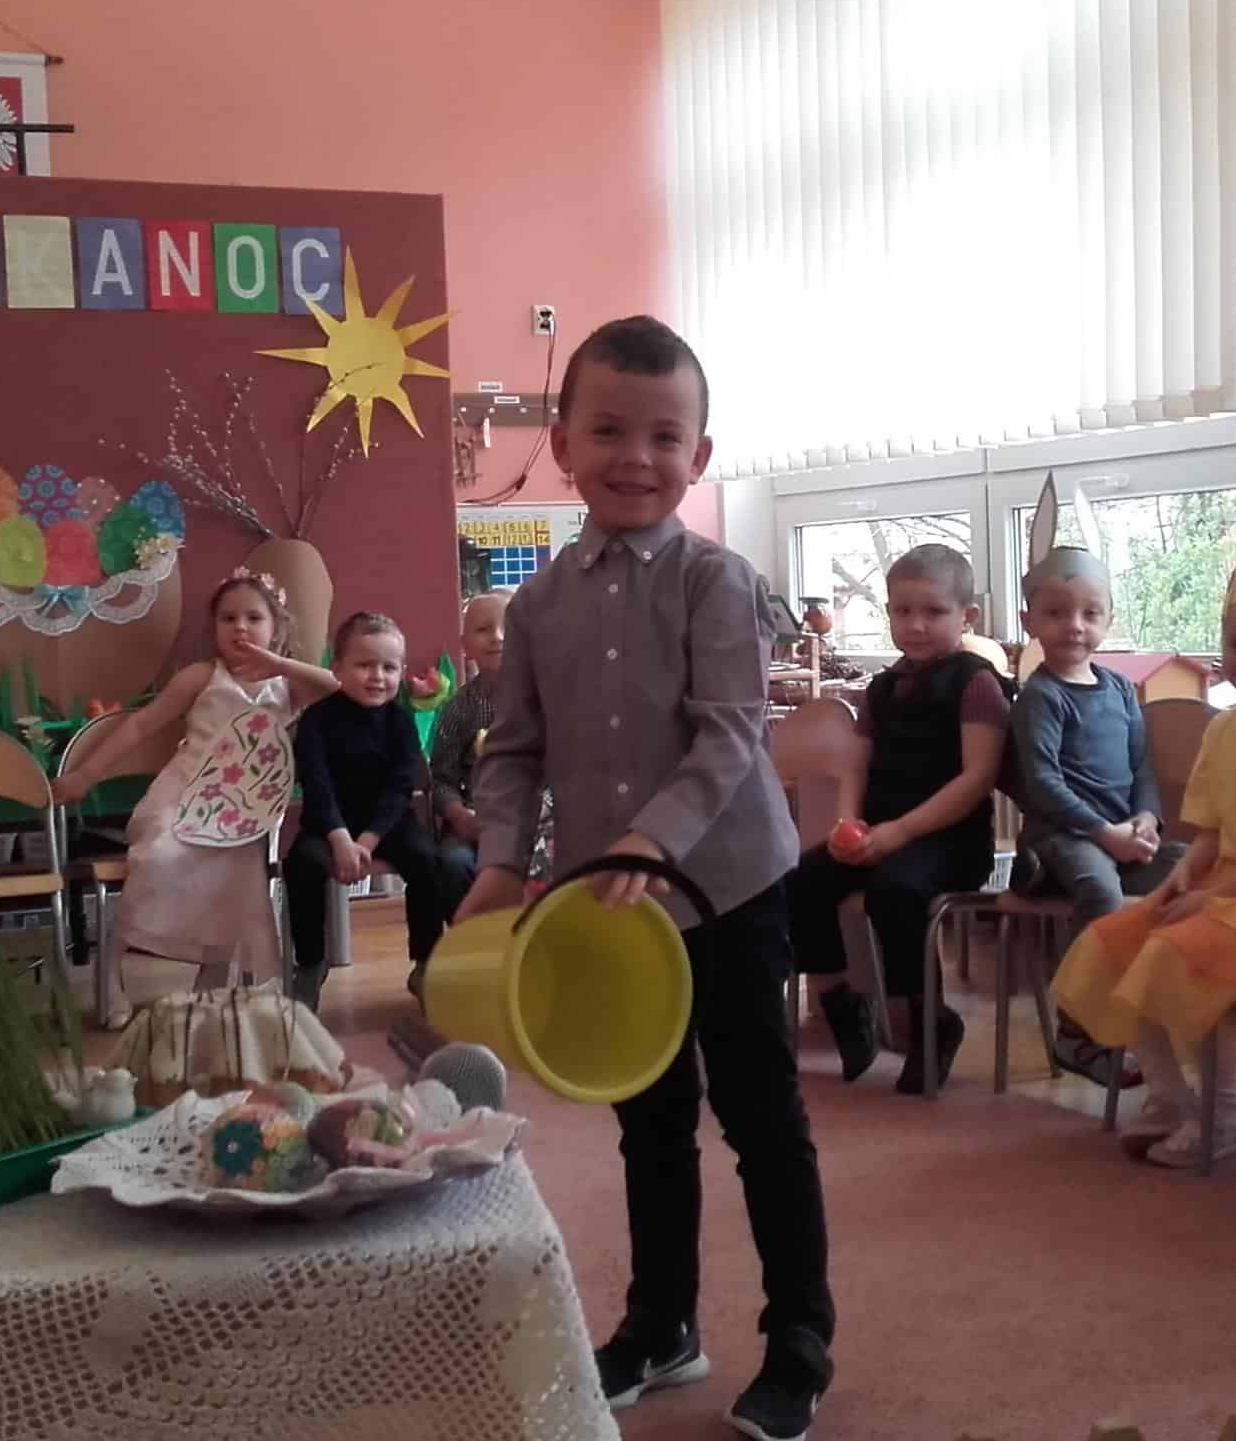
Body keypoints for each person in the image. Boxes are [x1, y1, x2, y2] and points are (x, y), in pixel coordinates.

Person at [458, 316, 835, 1440]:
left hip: (730, 888)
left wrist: (649, 840)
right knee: (650, 1120)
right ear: (563, 445)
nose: (636, 456)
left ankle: (799, 1339)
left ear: (699, 456)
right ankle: (663, 1324)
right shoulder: (535, 607)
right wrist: (497, 861)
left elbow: (729, 733)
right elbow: (513, 751)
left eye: (664, 437)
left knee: (761, 1114)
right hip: (609, 913)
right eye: (609, 430)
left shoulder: (720, 582)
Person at [1049, 559, 1236, 1169]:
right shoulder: (1225, 728)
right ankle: (1172, 1098)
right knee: (1116, 943)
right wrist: (1184, 878)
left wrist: (1212, 898)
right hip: (1231, 885)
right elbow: (1211, 830)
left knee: (1176, 958)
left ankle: (1228, 1113)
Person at [51, 569, 337, 1023]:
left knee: (236, 877)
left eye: (253, 618)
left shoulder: (287, 686)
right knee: (159, 855)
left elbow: (336, 688)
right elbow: (141, 726)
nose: (240, 627)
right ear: (214, 627)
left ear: (276, 627)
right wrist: (85, 775)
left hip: (244, 808)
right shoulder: (202, 676)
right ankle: (113, 962)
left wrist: (280, 664)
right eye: (228, 618)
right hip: (184, 793)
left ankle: (211, 980)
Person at [784, 542, 1008, 1093]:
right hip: (880, 835)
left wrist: (899, 834)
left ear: (966, 616)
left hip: (949, 843)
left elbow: (976, 779)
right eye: (903, 611)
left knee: (895, 891)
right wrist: (846, 825)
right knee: (800, 882)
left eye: (933, 612)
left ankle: (929, 1023)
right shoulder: (882, 688)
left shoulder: (976, 683)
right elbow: (855, 767)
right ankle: (844, 1008)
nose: (916, 625)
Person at [1007, 545, 1183, 1084]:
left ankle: (1170, 1020)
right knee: (1102, 894)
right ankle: (1077, 1033)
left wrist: (1147, 820)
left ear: (1109, 618)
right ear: (1029, 621)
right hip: (1064, 835)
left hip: (1123, 834)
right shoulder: (1041, 697)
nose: (1074, 626)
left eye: (1090, 613)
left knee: (1193, 868)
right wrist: (1106, 834)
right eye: (1056, 613)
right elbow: (1043, 784)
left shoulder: (1121, 689)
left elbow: (1142, 767)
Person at [282, 610, 470, 1009]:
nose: (377, 676)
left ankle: (425, 961)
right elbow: (317, 784)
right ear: (337, 669)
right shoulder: (316, 720)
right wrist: (340, 841)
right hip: (328, 825)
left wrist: (367, 841)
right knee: (302, 866)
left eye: (389, 667)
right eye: (365, 665)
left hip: (388, 825)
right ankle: (311, 963)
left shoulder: (399, 722)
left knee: (426, 860)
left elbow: (400, 788)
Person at [426, 590, 553, 886]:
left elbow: (566, 770)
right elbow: (441, 779)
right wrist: (460, 816)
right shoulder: (458, 709)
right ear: (465, 647)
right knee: (453, 863)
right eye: (483, 629)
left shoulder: (548, 701)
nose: (497, 637)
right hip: (475, 821)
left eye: (508, 628)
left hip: (539, 821)